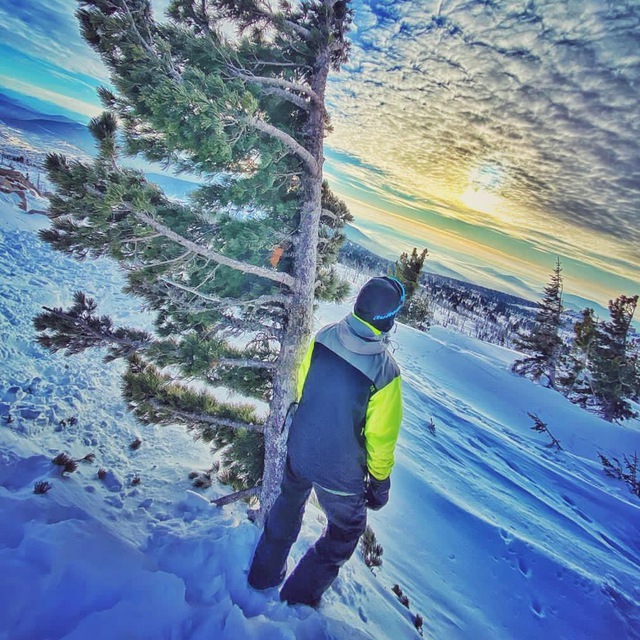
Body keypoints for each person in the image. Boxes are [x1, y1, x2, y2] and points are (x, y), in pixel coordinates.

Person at [248, 276, 405, 607]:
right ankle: (298, 597)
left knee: (289, 503)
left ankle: (263, 574)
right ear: (389, 319)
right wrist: (380, 483)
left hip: (301, 446)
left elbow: (304, 384)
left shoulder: (325, 337)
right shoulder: (386, 373)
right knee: (345, 531)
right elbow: (380, 440)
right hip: (340, 472)